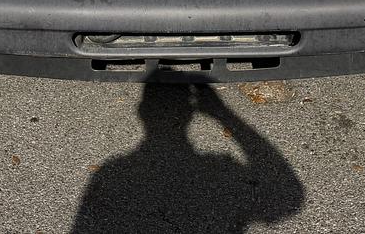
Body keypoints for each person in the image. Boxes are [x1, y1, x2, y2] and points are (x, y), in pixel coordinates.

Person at [71, 83, 305, 234]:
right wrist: (224, 115)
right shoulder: (220, 171)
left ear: (141, 113)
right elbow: (289, 197)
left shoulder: (113, 173)